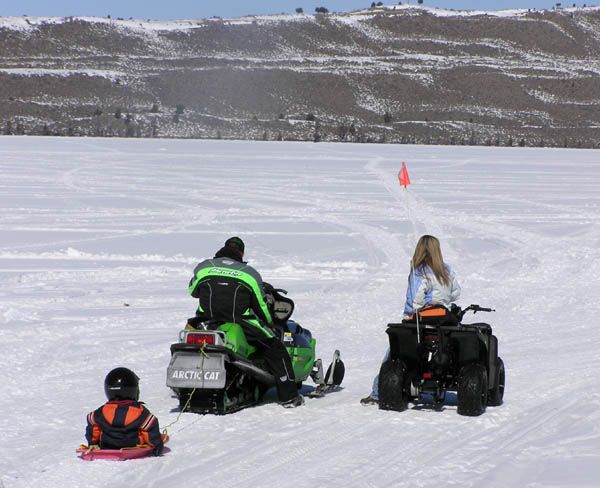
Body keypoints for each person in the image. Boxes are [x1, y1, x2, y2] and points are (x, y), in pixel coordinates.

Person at [188, 236, 304, 408]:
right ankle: (288, 397)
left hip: (206, 321)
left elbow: (193, 291)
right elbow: (262, 306)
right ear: (241, 253)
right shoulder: (249, 273)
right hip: (240, 321)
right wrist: (269, 323)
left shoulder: (204, 267)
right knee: (275, 347)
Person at [361, 235, 461, 405]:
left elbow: (414, 300)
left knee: (393, 354)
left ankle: (378, 392)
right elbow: (456, 293)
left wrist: (409, 316)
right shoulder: (447, 270)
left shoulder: (419, 271)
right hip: (443, 323)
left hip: (420, 322)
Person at [85, 367, 165, 454]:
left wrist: (92, 443)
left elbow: (92, 423)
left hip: (107, 445)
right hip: (133, 445)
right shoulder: (140, 412)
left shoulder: (101, 412)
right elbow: (150, 427)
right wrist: (157, 446)